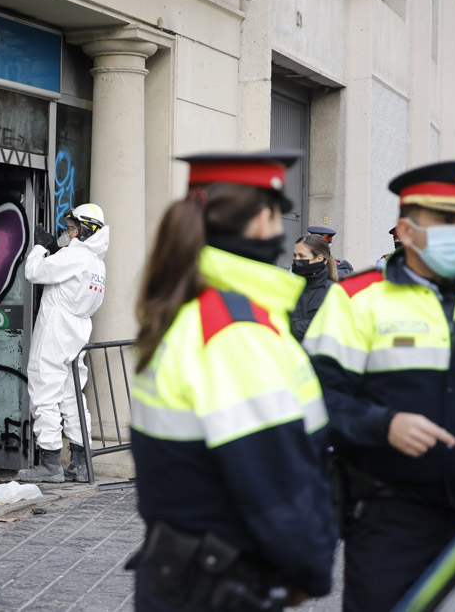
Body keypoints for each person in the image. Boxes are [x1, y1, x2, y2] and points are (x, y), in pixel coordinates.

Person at [304, 160, 455, 612]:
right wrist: (382, 425)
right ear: (406, 232)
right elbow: (314, 399)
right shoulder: (357, 301)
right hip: (389, 521)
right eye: (445, 221)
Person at [128, 151, 336, 610]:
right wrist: (311, 564)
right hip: (221, 582)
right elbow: (271, 478)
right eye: (277, 217)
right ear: (262, 220)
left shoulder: (202, 310)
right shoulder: (234, 329)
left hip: (194, 575)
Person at [18, 203, 109, 484]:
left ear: (84, 229)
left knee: (45, 388)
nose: (68, 232)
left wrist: (40, 247)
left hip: (56, 328)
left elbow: (34, 272)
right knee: (72, 395)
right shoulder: (97, 264)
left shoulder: (76, 256)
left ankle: (49, 463)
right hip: (78, 330)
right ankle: (80, 464)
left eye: (72, 227)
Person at [290, 233, 338, 341]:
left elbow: (329, 326)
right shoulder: (289, 288)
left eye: (302, 256)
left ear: (319, 258)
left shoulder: (333, 291)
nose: (297, 260)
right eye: (295, 255)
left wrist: (292, 327)